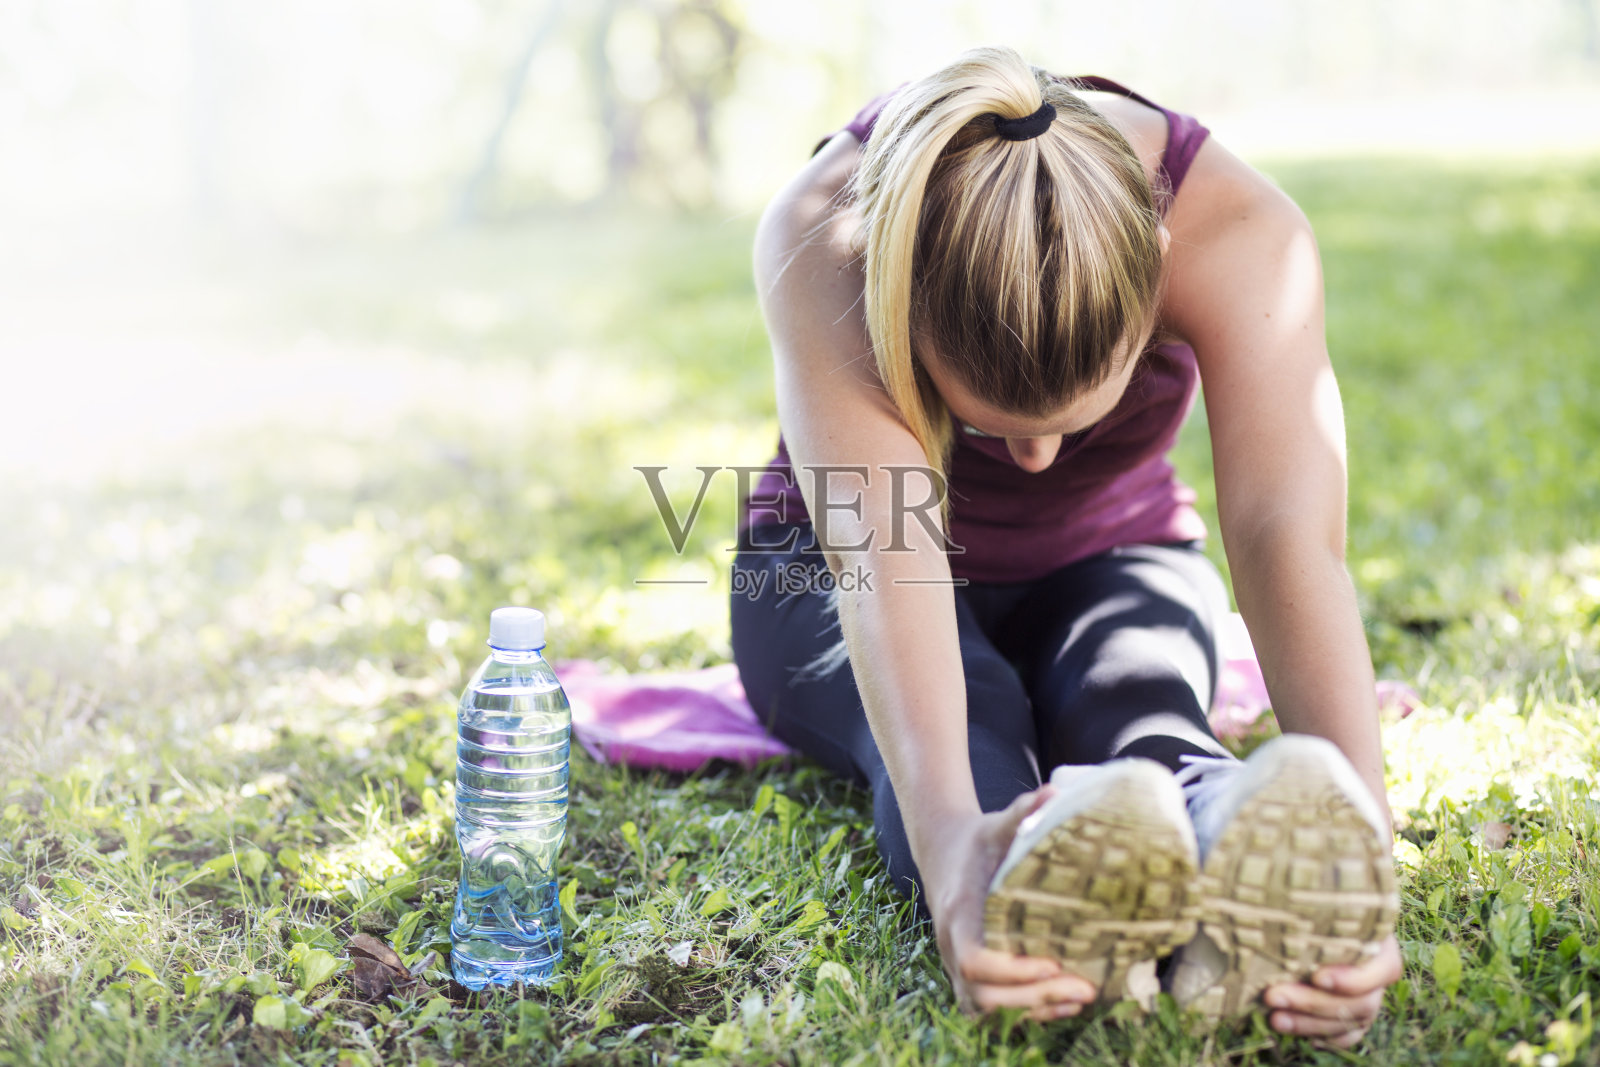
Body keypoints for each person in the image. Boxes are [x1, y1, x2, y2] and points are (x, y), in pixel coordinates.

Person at [729, 46, 1400, 1047]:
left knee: (1141, 708)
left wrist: (1364, 867)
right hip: (827, 568)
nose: (1037, 461)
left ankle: (1223, 838)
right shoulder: (826, 232)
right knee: (977, 736)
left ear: (1153, 277)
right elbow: (888, 556)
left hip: (1113, 557)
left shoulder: (1237, 232)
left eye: (1073, 420)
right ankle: (1036, 884)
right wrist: (955, 855)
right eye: (994, 427)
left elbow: (1283, 535)